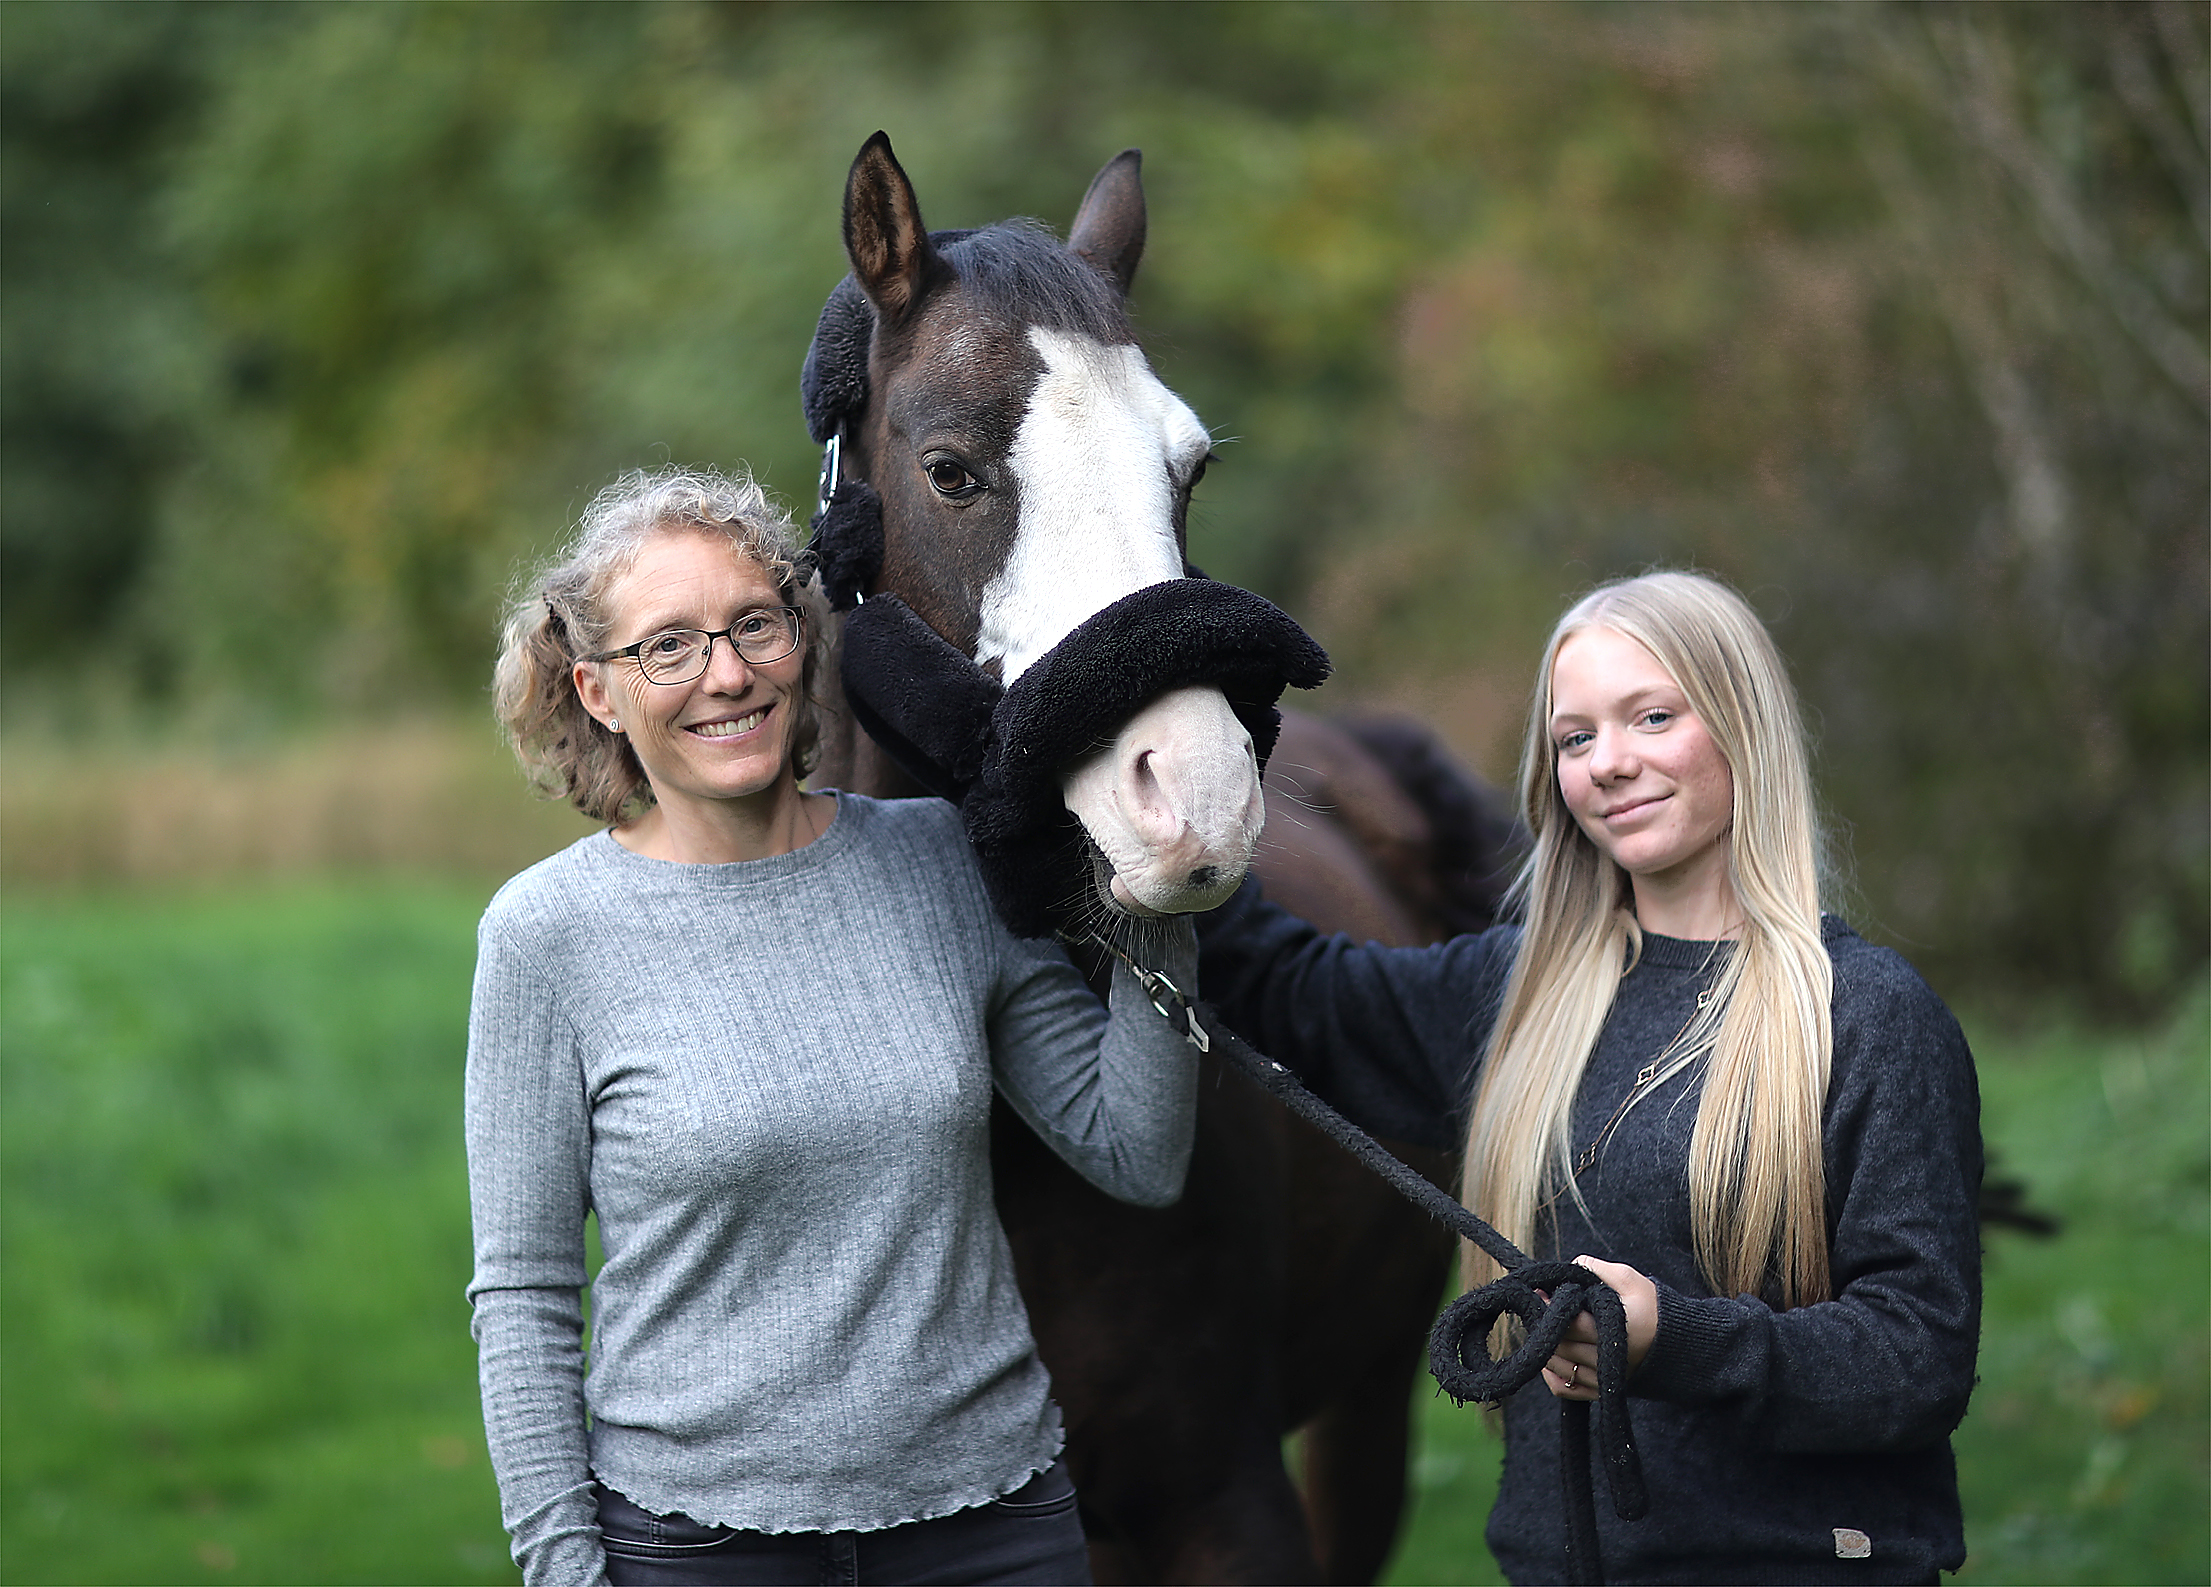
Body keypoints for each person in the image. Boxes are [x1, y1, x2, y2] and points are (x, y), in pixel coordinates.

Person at [465, 464, 1200, 1587]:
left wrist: (1157, 908)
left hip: (994, 1527)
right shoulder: (547, 935)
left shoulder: (938, 861)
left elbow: (1134, 1152)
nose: (726, 675)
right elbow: (523, 1294)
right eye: (669, 645)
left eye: (755, 625)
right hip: (693, 1546)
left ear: (804, 642)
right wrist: (565, 1568)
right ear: (598, 691)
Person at [1197, 571, 1981, 1585]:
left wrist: (1671, 1342)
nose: (1610, 763)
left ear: (1743, 727)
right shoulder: (1514, 999)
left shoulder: (1866, 1017)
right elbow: (1280, 985)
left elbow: (1917, 1360)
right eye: (1576, 738)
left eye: (1652, 716)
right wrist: (1171, 770)